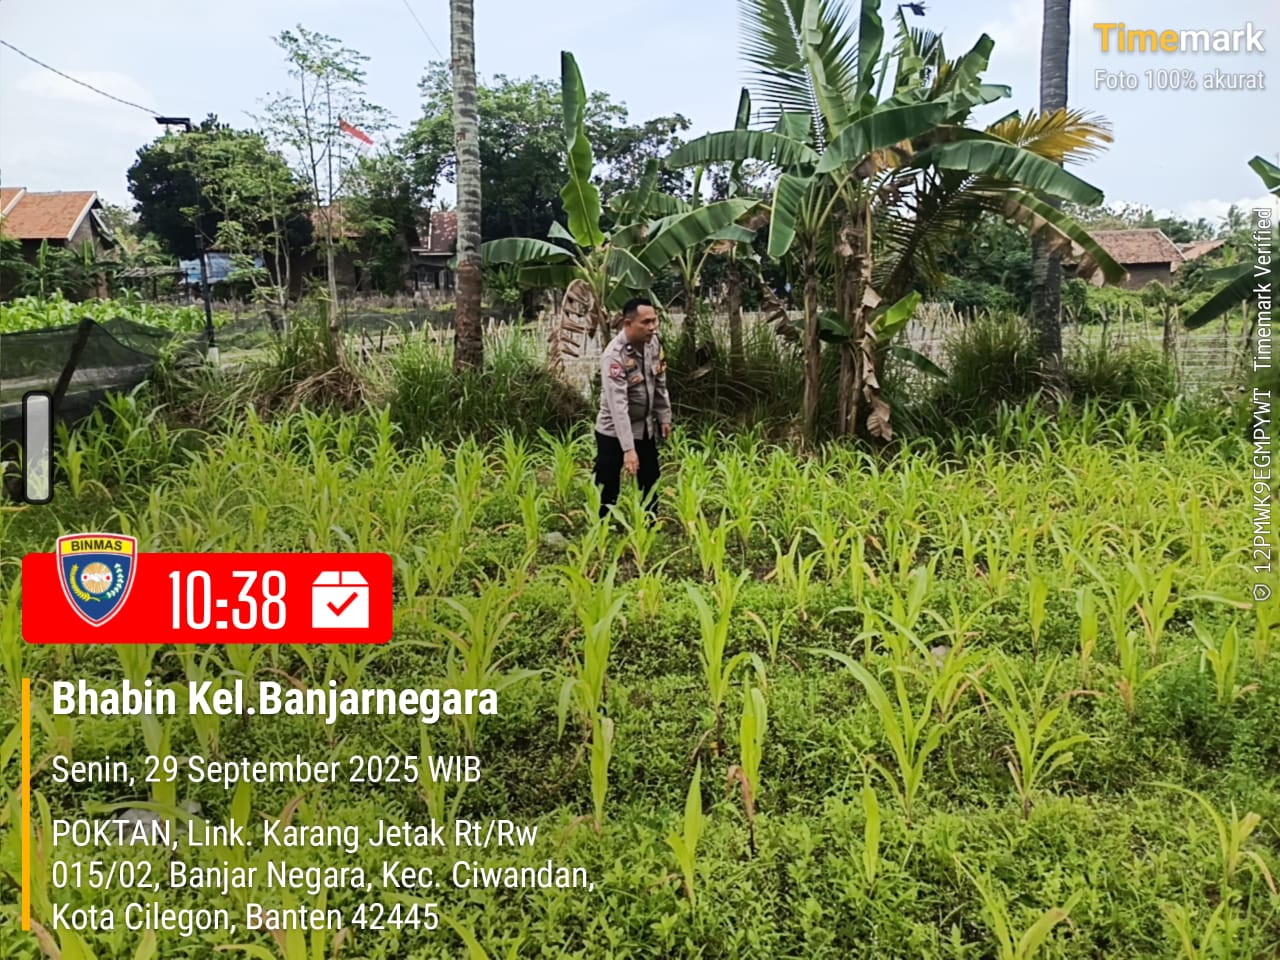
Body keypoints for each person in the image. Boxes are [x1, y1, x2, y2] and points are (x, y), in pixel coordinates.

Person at [593, 297, 672, 519]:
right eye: (646, 322)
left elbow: (660, 381)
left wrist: (664, 416)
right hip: (613, 430)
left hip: (644, 426)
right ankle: (602, 526)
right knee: (607, 483)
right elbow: (618, 407)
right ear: (628, 323)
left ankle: (649, 524)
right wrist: (628, 449)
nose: (652, 327)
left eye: (654, 321)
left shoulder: (654, 343)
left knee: (650, 479)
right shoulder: (614, 356)